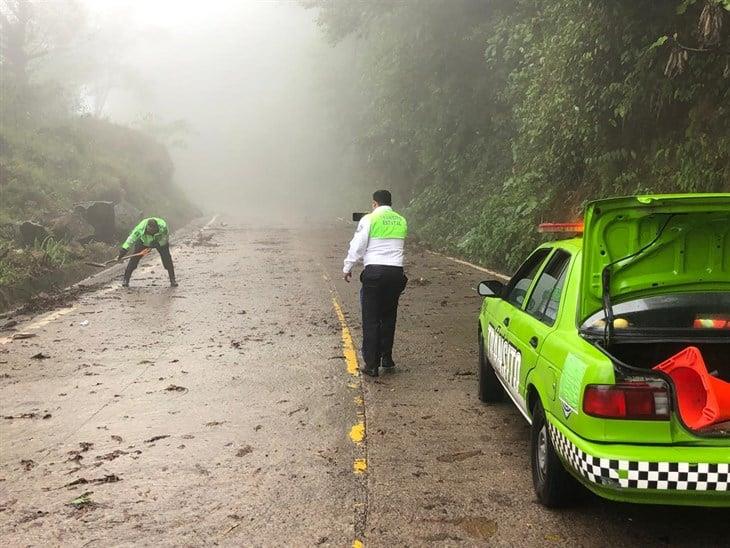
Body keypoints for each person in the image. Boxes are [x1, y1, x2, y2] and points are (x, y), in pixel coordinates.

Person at [343, 190, 408, 377]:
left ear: (374, 203)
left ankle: (371, 365)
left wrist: (348, 266)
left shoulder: (369, 219)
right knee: (389, 317)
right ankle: (386, 359)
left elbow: (358, 245)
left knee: (371, 319)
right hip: (396, 273)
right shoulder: (401, 220)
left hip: (374, 273)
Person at [118, 217, 177, 287]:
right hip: (143, 241)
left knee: (167, 259)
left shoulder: (163, 226)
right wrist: (124, 249)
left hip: (159, 241)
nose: (151, 233)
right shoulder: (140, 228)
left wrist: (159, 243)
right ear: (147, 228)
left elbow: (165, 237)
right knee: (133, 260)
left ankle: (172, 280)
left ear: (157, 228)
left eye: (153, 231)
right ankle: (126, 280)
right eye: (150, 231)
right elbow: (131, 238)